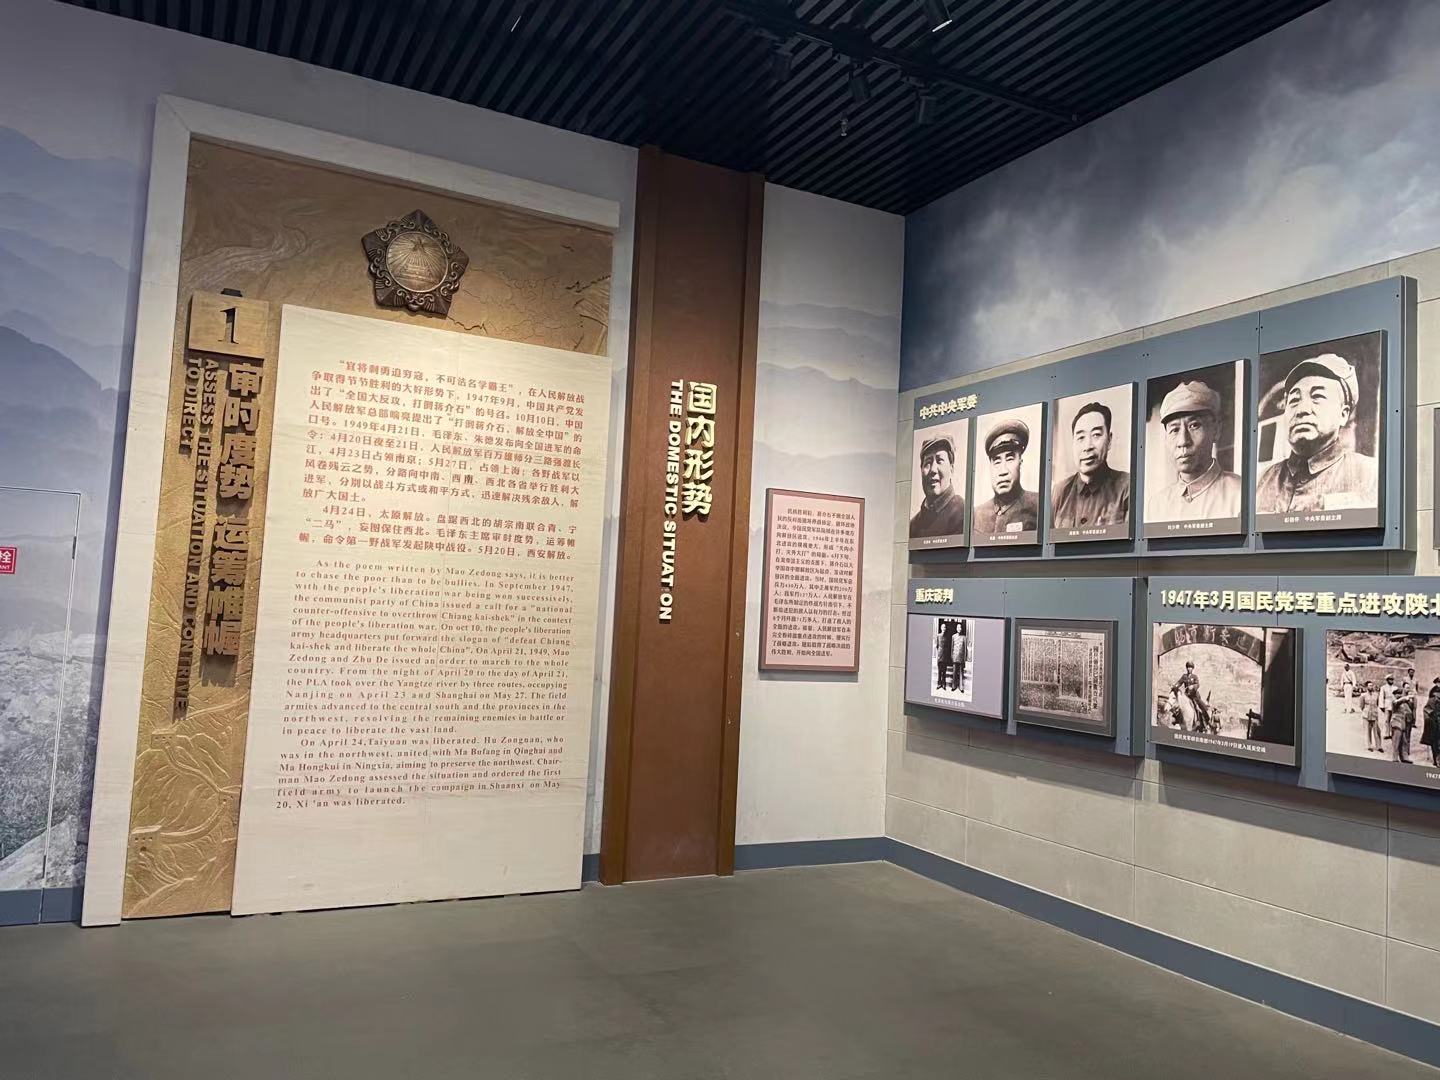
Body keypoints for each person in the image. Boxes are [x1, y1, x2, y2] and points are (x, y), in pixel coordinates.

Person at [1256, 353, 1378, 513]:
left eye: (1317, 397)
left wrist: (1324, 505)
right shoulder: (1263, 480)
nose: (1302, 410)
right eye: (1294, 400)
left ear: (1343, 414)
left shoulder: (1371, 474)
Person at [1145, 380, 1243, 523]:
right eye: (1174, 429)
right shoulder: (1157, 505)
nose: (1183, 441)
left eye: (1194, 425)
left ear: (1216, 430)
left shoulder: (1241, 494)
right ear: (1166, 438)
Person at [1050, 401, 1130, 530]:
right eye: (1081, 437)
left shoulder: (1127, 487)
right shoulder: (1059, 492)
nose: (1087, 446)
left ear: (1109, 440)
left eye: (1096, 435)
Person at [973, 418, 1039, 535]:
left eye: (1010, 459)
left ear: (1020, 462)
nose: (1003, 471)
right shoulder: (977, 514)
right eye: (997, 461)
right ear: (990, 466)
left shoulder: (1038, 505)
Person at [910, 434, 967, 539]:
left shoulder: (964, 513)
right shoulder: (913, 525)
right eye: (928, 462)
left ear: (951, 468)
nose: (933, 470)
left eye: (939, 460)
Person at [1176, 660, 1212, 732]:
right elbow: (1179, 682)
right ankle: (1176, 720)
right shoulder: (1184, 676)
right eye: (1188, 667)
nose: (1189, 669)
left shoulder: (1195, 676)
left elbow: (1198, 684)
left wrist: (1193, 686)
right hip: (1186, 696)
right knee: (1178, 706)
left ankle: (1206, 723)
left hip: (1195, 696)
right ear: (1186, 668)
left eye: (1190, 667)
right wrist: (1175, 685)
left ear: (1192, 669)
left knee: (1202, 708)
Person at [1359, 681, 1382, 753]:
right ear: (1366, 687)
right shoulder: (1363, 695)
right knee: (1367, 731)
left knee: (1377, 731)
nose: (1371, 687)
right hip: (1366, 715)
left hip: (1374, 714)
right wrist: (1366, 711)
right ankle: (1369, 746)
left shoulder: (1376, 695)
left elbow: (1377, 704)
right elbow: (1361, 706)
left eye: (1372, 685)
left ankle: (1379, 746)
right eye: (1369, 685)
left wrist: (1374, 711)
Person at [1422, 685, 1440, 766]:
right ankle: (1436, 760)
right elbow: (1426, 709)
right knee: (1434, 743)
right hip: (1433, 725)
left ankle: (1438, 760)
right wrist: (1428, 719)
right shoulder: (1431, 701)